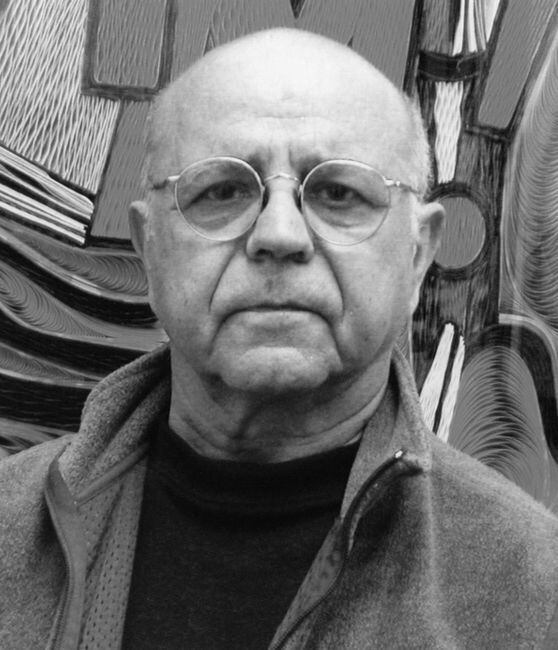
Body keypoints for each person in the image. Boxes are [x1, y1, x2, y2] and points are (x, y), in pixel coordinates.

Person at [1, 28, 557, 649]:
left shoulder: (535, 592)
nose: (280, 234)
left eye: (338, 193)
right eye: (223, 191)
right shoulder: (8, 529)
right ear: (148, 246)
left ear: (417, 254)